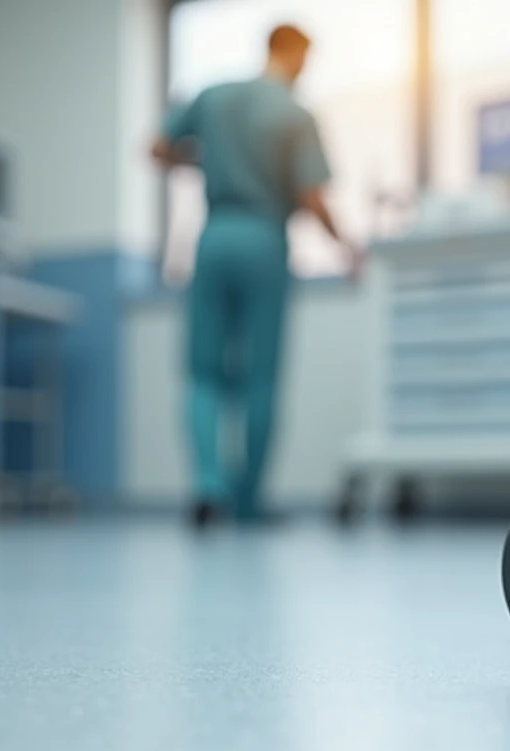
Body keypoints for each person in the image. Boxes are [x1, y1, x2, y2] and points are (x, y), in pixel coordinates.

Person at [152, 23, 359, 529]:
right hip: (264, 241)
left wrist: (209, 162)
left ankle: (208, 484)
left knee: (203, 373)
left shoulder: (214, 95)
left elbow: (157, 148)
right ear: (295, 54)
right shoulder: (295, 114)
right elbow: (311, 196)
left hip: (216, 234)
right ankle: (246, 503)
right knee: (261, 380)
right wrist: (348, 247)